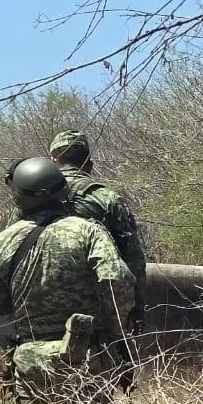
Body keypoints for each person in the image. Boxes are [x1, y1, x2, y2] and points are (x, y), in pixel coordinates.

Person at [0, 156, 135, 404]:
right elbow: (118, 281)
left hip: (29, 358)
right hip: (86, 355)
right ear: (63, 192)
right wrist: (114, 330)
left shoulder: (1, 243)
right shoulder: (87, 231)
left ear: (19, 198)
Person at [47, 130, 147, 322]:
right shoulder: (107, 199)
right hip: (95, 317)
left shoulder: (30, 200)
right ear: (90, 164)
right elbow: (133, 259)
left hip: (38, 315)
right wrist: (137, 310)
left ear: (52, 162)